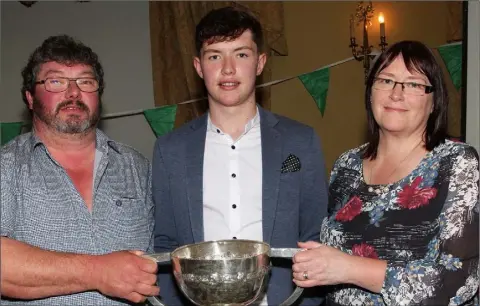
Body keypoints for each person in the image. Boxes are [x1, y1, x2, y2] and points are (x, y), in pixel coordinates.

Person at [152, 6, 328, 306]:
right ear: (198, 66)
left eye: (241, 54)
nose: (228, 68)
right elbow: (165, 246)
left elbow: (317, 237)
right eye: (215, 55)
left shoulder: (301, 141)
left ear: (260, 63)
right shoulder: (170, 150)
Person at [292, 40, 479, 305]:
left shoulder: (456, 163)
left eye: (413, 84)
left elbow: (459, 280)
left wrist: (348, 268)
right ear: (370, 92)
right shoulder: (346, 165)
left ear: (434, 101)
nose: (396, 94)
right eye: (386, 81)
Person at [0, 35, 159, 305]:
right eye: (56, 81)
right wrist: (98, 272)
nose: (73, 92)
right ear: (30, 97)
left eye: (85, 81)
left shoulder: (136, 166)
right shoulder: (6, 168)